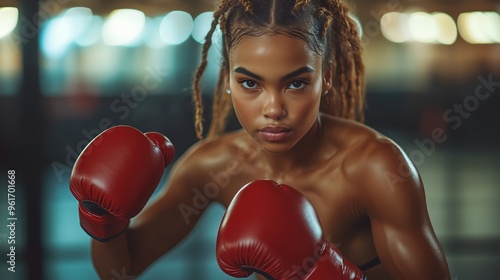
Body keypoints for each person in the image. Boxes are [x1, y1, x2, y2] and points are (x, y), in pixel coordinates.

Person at [69, 0, 452, 279]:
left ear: (327, 77)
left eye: (297, 83)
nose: (273, 108)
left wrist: (325, 273)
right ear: (228, 80)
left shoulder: (376, 168)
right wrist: (104, 220)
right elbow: (121, 270)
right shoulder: (212, 167)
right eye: (250, 83)